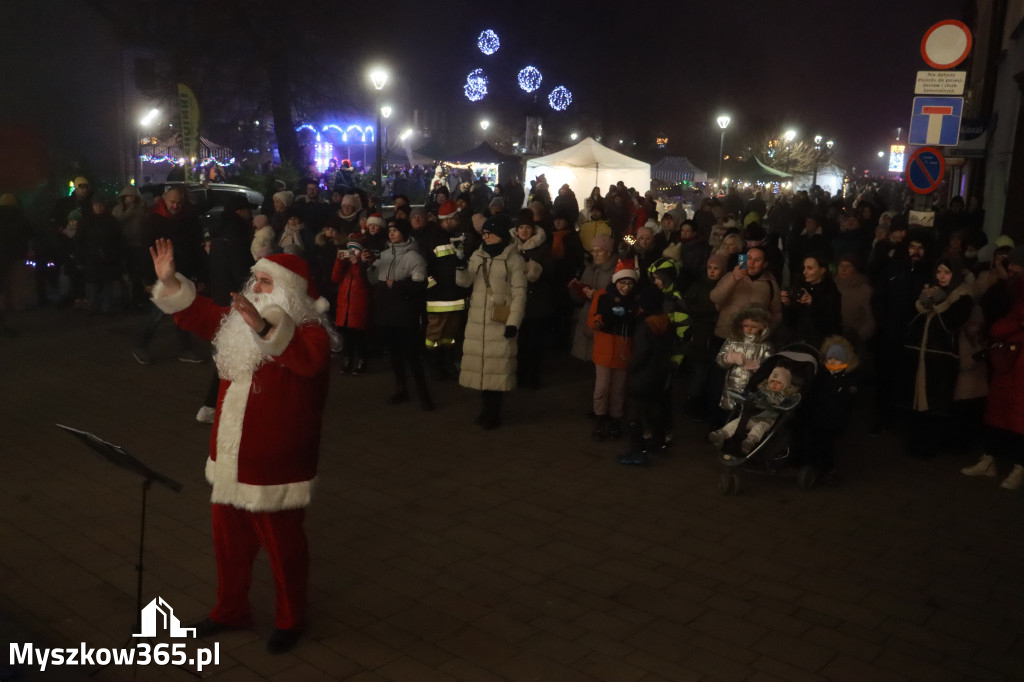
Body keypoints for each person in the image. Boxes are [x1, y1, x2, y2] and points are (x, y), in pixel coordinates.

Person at [147, 241, 331, 654]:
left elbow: (307, 362)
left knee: (284, 550)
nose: (258, 288)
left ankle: (290, 619)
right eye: (257, 280)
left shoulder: (310, 333)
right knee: (229, 545)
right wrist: (171, 282)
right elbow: (199, 314)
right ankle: (230, 610)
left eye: (267, 282)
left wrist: (265, 329)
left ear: (292, 292)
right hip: (230, 458)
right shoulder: (240, 321)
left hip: (274, 464)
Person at [456, 214, 527, 429]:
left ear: (501, 234)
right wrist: (460, 267)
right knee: (481, 367)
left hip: (499, 320)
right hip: (478, 321)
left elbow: (519, 293)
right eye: (484, 233)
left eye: (489, 233)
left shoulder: (513, 260)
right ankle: (485, 409)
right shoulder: (478, 255)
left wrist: (513, 322)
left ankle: (494, 413)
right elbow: (464, 282)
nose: (485, 237)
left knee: (497, 368)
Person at [961, 250, 1024, 488]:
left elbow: (1000, 327)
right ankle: (989, 459)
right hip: (1007, 362)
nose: (1010, 270)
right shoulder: (1010, 291)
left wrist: (1010, 326)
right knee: (999, 413)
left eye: (1014, 267)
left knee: (1018, 416)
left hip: (1016, 363)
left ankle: (1018, 467)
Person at [900, 258, 974, 457]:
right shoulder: (929, 292)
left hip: (941, 359)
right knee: (916, 401)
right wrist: (922, 304)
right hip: (919, 355)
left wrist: (941, 302)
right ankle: (914, 443)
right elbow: (909, 321)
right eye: (939, 271)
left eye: (947, 272)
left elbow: (950, 326)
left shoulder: (963, 297)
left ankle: (929, 446)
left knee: (935, 403)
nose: (941, 276)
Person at [133, 187, 205, 364]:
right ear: (164, 200)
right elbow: (146, 251)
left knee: (183, 311)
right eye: (172, 202)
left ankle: (185, 349)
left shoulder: (189, 219)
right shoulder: (153, 220)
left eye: (179, 202)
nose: (175, 206)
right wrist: (148, 279)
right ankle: (141, 345)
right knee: (157, 312)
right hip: (163, 274)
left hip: (184, 272)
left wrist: (200, 274)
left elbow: (196, 249)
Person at [370, 219, 433, 410]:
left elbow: (419, 286)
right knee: (394, 355)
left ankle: (424, 395)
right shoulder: (384, 255)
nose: (392, 234)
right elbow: (372, 280)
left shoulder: (414, 257)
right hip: (386, 313)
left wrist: (396, 285)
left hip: (405, 315)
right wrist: (367, 265)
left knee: (412, 356)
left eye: (396, 230)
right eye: (390, 230)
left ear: (404, 233)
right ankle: (401, 389)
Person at [617, 286, 673, 466]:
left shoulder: (646, 326)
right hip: (660, 377)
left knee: (634, 416)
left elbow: (640, 355)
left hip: (642, 379)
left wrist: (630, 368)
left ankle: (637, 452)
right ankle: (659, 444)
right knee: (654, 412)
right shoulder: (667, 323)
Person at [588, 261, 638, 441]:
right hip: (604, 350)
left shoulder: (634, 301)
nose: (626, 287)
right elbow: (591, 321)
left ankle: (616, 420)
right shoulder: (602, 296)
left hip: (623, 352)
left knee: (618, 390)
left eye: (630, 284)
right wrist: (603, 319)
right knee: (601, 388)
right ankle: (600, 419)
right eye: (623, 283)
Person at [708, 365, 801, 454]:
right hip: (753, 416)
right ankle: (722, 434)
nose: (774, 384)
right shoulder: (762, 390)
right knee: (738, 421)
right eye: (772, 381)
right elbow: (751, 396)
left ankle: (750, 441)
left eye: (779, 383)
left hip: (767, 420)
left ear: (786, 385)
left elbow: (787, 406)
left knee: (759, 428)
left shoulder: (785, 397)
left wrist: (770, 402)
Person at [511, 210, 554, 389]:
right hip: (517, 302)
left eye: (527, 227)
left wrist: (536, 268)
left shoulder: (543, 247)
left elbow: (551, 271)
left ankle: (533, 378)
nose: (524, 231)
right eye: (521, 227)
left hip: (538, 303)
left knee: (535, 343)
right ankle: (520, 376)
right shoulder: (510, 247)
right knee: (519, 342)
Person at [716, 304, 774, 413]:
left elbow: (769, 366)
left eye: (754, 327)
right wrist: (729, 358)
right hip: (732, 383)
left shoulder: (765, 346)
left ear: (763, 327)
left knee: (744, 412)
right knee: (728, 410)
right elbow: (720, 360)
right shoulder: (732, 341)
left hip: (752, 386)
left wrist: (758, 367)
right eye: (746, 325)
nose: (749, 329)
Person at [569, 234, 617, 363]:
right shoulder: (590, 268)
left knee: (601, 361)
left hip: (603, 321)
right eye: (593, 251)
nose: (595, 254)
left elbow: (617, 298)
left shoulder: (616, 271)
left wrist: (597, 296)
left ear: (609, 252)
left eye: (599, 251)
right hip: (586, 318)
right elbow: (579, 299)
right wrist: (576, 289)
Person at [332, 234, 374, 375]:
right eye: (350, 250)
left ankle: (362, 361)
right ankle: (347, 360)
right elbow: (335, 278)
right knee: (347, 335)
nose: (352, 253)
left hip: (359, 304)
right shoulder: (345, 264)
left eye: (355, 250)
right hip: (345, 304)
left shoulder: (365, 263)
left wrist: (358, 263)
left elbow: (366, 281)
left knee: (360, 335)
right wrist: (339, 261)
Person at [782, 253, 843, 347]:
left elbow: (829, 323)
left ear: (822, 270)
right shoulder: (800, 288)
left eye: (809, 268)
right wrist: (787, 305)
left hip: (822, 344)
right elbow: (789, 322)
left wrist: (812, 303)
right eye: (804, 268)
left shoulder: (831, 292)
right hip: (798, 341)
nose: (804, 272)